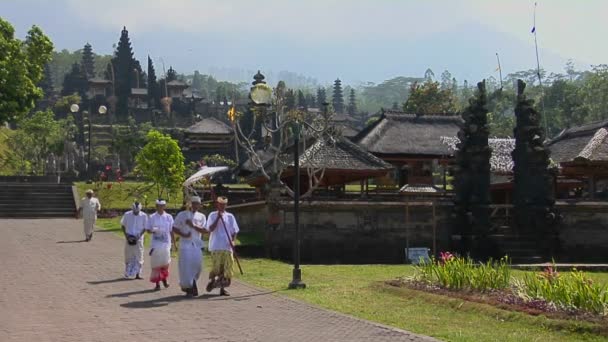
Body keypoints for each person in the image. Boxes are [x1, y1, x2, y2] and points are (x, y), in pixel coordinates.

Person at [205, 196, 239, 296]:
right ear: (217, 205)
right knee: (217, 268)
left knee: (227, 268)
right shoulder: (212, 215)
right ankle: (213, 281)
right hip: (216, 246)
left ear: (226, 205)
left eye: (224, 205)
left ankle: (221, 287)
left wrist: (233, 241)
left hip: (227, 246)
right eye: (220, 204)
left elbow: (235, 231)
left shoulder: (230, 216)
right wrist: (217, 218)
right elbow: (210, 229)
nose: (222, 206)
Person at [173, 196, 207, 297]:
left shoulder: (201, 216)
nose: (196, 205)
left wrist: (193, 225)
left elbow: (205, 230)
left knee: (198, 266)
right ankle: (189, 287)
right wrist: (183, 235)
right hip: (185, 244)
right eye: (194, 203)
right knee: (186, 266)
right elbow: (174, 228)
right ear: (190, 204)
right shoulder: (182, 215)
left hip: (197, 244)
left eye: (198, 204)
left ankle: (192, 282)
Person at [145, 199, 175, 291]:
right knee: (156, 264)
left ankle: (164, 279)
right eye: (158, 206)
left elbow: (171, 230)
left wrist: (174, 243)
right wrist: (154, 230)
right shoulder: (152, 217)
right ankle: (157, 283)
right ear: (156, 206)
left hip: (166, 244)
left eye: (162, 206)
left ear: (165, 206)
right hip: (156, 244)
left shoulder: (169, 217)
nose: (160, 208)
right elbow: (148, 229)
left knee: (165, 263)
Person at [120, 202, 148, 279]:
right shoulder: (127, 214)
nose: (136, 212)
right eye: (134, 211)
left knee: (139, 255)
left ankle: (138, 274)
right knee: (128, 255)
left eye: (137, 211)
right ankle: (128, 272)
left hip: (138, 239)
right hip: (129, 238)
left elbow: (145, 227)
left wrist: (139, 235)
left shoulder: (144, 216)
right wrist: (126, 236)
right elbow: (123, 225)